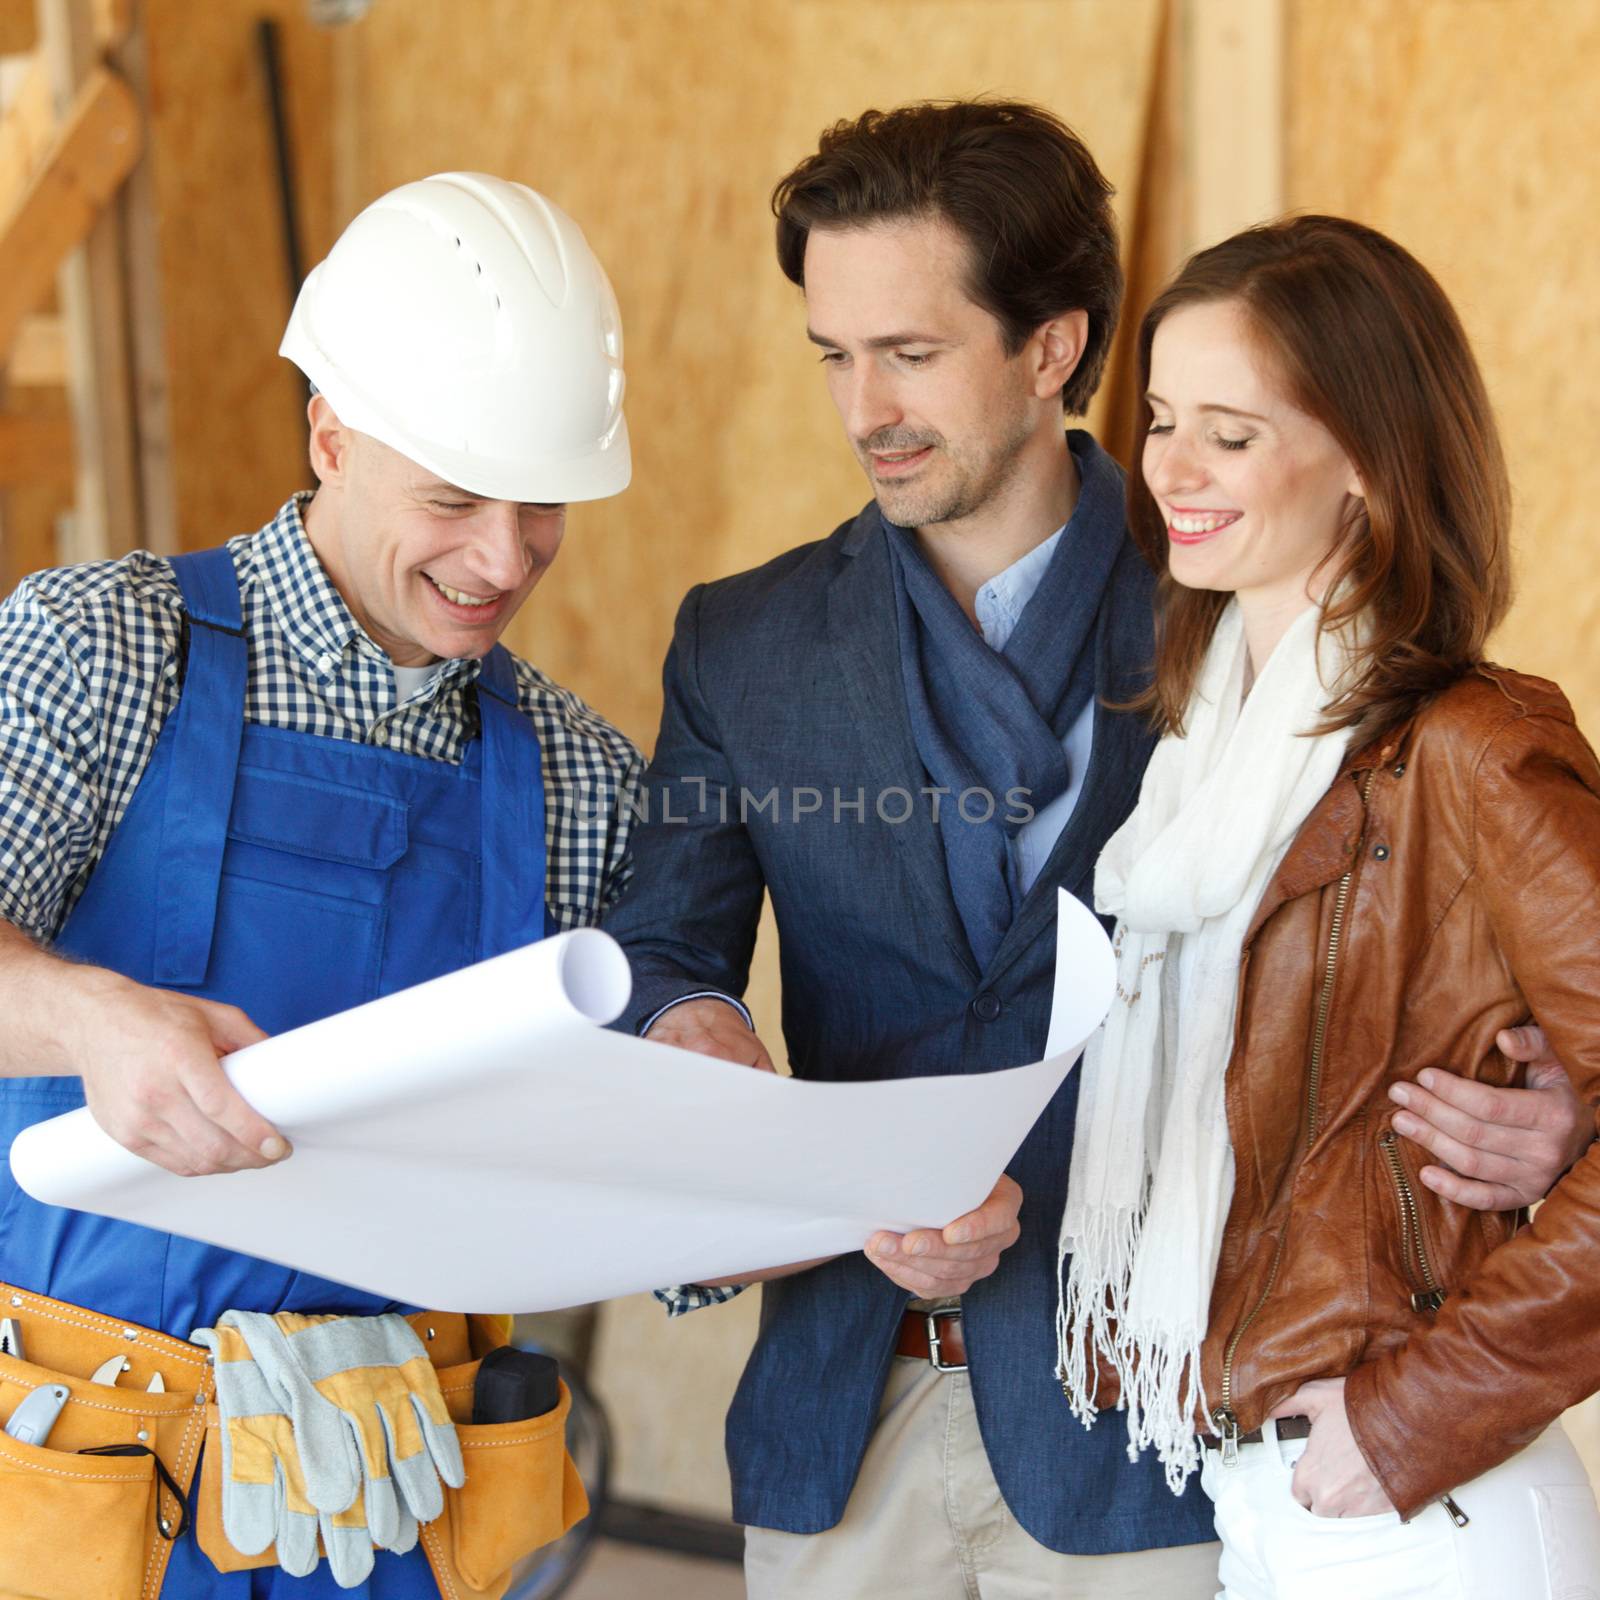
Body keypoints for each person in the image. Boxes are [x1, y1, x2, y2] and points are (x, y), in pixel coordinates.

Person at [602, 102, 1589, 1598]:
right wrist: (756, 1109)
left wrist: (1558, 1110)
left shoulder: (1250, 616)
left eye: (913, 353)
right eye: (834, 354)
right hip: (832, 1418)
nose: (865, 404)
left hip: (1160, 1441)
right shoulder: (740, 646)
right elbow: (665, 960)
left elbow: (1415, 946)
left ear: (1052, 346)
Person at [0, 173, 638, 1597]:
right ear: (329, 434)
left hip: (395, 1500)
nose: (500, 558)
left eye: (543, 508)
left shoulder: (585, 778)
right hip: (94, 1489)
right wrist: (91, 1022)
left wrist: (775, 1218)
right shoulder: (102, 648)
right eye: (455, 498)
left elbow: (602, 1150)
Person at [1058, 213, 1600, 1600]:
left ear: (1366, 456)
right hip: (1265, 1493)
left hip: (1425, 1507)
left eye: (1228, 434)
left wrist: (1414, 1413)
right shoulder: (1202, 755)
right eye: (1162, 418)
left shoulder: (1474, 748)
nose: (1168, 469)